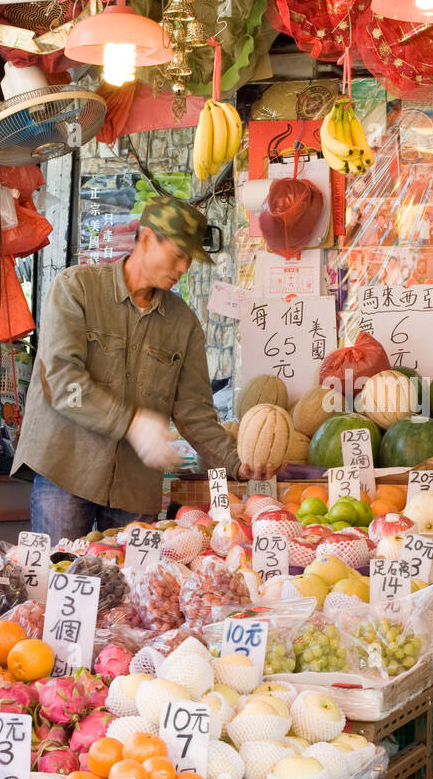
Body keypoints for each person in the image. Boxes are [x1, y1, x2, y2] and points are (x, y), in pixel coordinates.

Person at [14, 198, 275, 543]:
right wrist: (132, 423)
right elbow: (64, 384)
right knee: (57, 579)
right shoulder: (76, 288)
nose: (184, 267)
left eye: (190, 260)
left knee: (136, 593)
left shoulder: (183, 322)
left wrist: (236, 461)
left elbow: (194, 411)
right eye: (179, 255)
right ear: (148, 239)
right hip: (66, 470)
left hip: (134, 490)